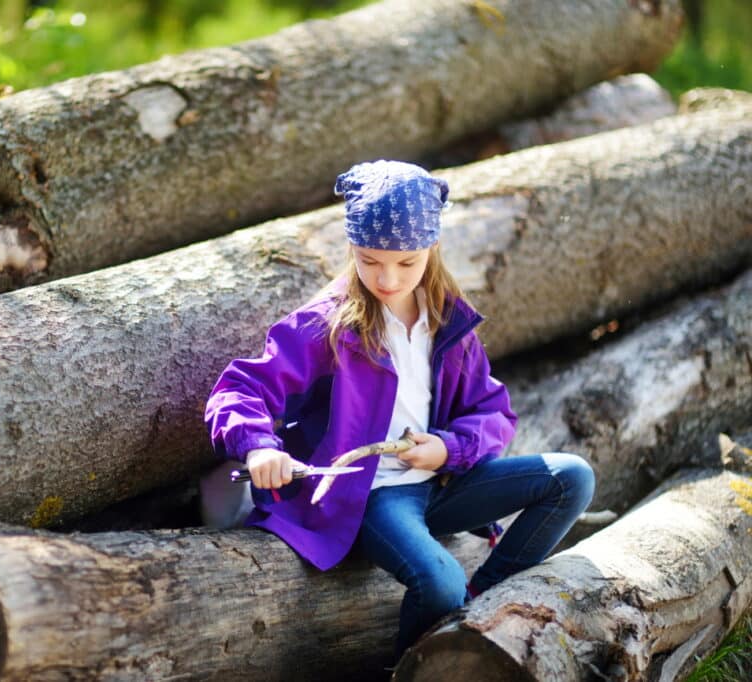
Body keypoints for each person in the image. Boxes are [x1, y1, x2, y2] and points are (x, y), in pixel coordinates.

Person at [203, 159, 595, 656]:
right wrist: (258, 447)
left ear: (432, 248)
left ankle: (474, 611)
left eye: (406, 263)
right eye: (370, 261)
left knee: (571, 477)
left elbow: (493, 411)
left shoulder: (447, 322)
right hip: (370, 494)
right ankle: (410, 664)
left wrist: (448, 449)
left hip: (440, 483)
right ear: (352, 249)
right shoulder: (328, 325)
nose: (387, 279)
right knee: (439, 582)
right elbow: (239, 390)